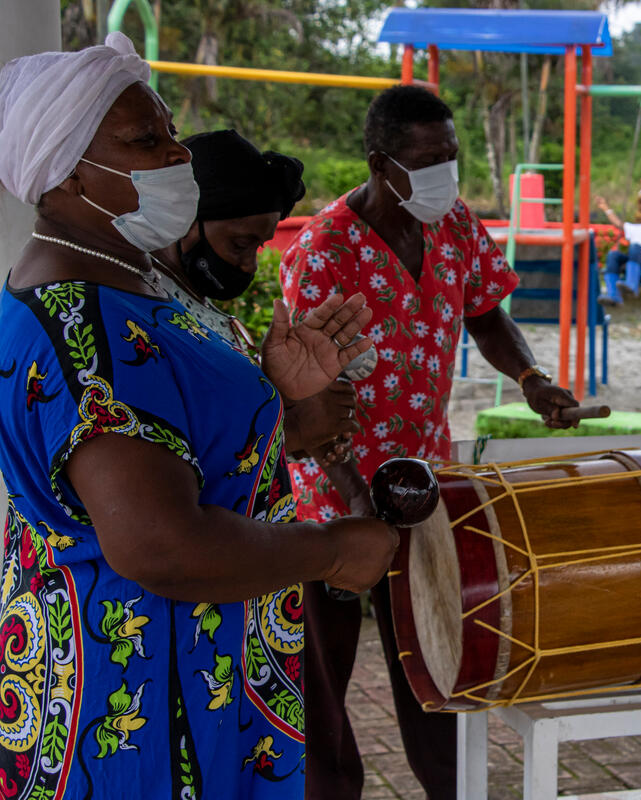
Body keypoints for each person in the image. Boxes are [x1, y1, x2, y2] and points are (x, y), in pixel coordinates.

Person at [0, 34, 398, 798]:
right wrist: (331, 548)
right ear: (69, 171)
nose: (179, 156)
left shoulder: (125, 282)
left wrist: (285, 411)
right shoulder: (86, 324)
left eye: (172, 133)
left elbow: (183, 458)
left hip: (190, 683)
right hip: (137, 712)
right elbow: (161, 545)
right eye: (145, 141)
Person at [280, 84, 579, 800]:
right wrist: (352, 494)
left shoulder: (454, 224)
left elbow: (486, 314)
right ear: (382, 164)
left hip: (424, 489)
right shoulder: (326, 250)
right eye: (427, 159)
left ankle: (450, 789)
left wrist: (532, 377)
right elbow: (305, 388)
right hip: (335, 498)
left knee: (439, 669)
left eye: (452, 155)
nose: (446, 172)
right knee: (324, 684)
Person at [152, 129, 358, 463]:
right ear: (185, 221)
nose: (249, 264)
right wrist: (295, 430)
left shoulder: (199, 309)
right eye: (240, 244)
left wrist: (285, 394)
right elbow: (174, 460)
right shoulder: (144, 314)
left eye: (259, 246)